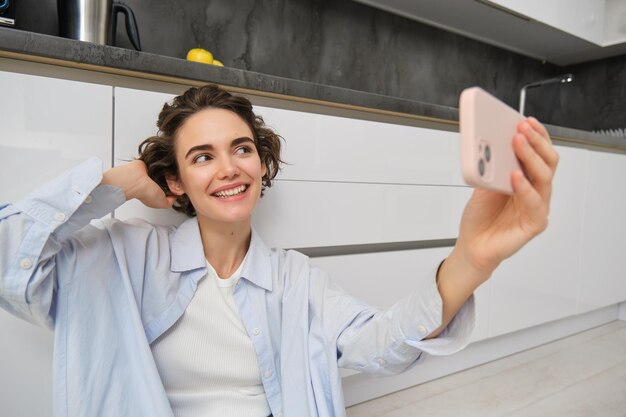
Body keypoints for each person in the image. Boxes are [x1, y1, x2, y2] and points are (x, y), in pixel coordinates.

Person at [0, 84, 558, 417]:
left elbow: (380, 344)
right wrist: (120, 182)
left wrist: (473, 259)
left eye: (241, 148)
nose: (228, 167)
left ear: (260, 166)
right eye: (201, 157)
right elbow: (11, 257)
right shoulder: (120, 258)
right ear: (174, 184)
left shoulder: (295, 280)